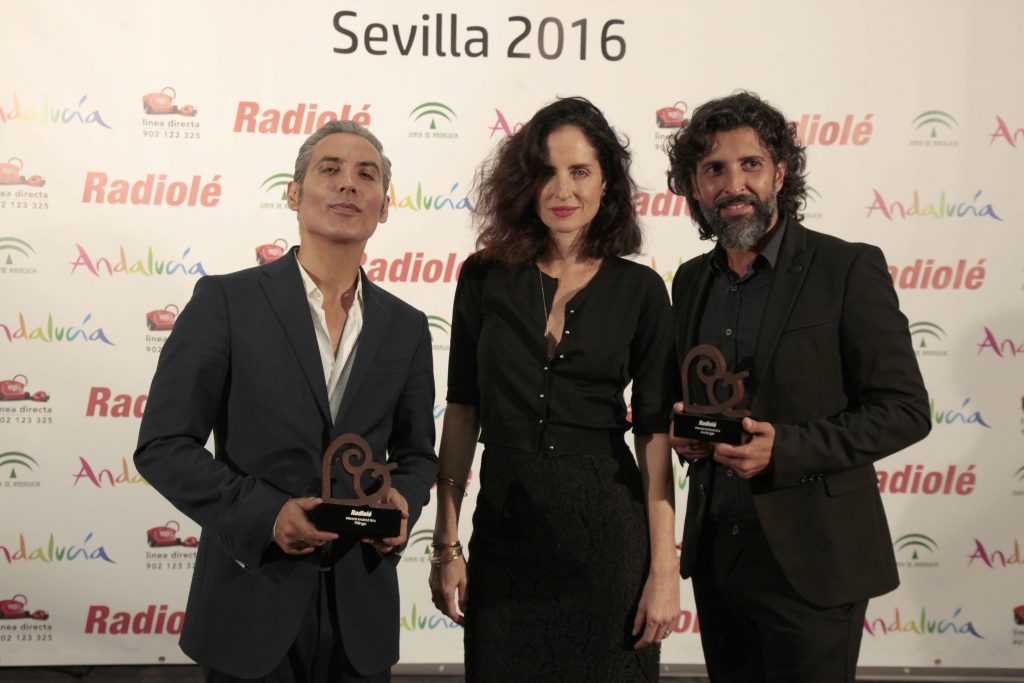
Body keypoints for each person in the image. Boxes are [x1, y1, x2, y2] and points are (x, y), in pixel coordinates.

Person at [135, 120, 437, 682]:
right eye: (330, 169)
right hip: (251, 600)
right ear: (294, 193)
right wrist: (266, 516)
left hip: (361, 614)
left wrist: (403, 501)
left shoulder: (407, 325)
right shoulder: (225, 301)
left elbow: (417, 455)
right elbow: (163, 445)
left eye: (366, 174)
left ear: (385, 205)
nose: (348, 184)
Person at [665, 91, 931, 682]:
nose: (733, 184)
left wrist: (783, 449)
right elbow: (687, 398)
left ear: (780, 173)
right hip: (718, 557)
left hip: (816, 562)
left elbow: (905, 410)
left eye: (750, 164)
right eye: (714, 169)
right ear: (695, 186)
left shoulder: (846, 268)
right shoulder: (689, 281)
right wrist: (686, 436)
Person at [427, 96, 680, 681]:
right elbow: (462, 409)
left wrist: (663, 567)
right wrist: (446, 542)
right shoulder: (483, 276)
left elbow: (654, 434)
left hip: (609, 542)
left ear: (606, 183)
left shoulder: (641, 291)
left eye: (580, 171)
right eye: (546, 172)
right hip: (506, 536)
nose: (562, 190)